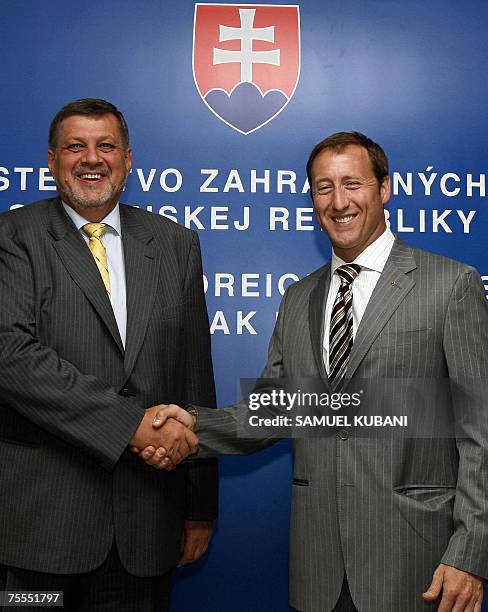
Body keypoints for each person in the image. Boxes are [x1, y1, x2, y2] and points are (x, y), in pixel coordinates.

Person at [138, 132, 488, 611]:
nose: (338, 201)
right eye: (323, 188)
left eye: (352, 184)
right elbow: (273, 412)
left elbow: (480, 431)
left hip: (418, 562)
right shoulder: (299, 297)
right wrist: (193, 424)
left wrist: (470, 553)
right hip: (319, 567)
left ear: (383, 189)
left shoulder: (451, 285)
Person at [0, 98, 217, 611]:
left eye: (106, 146)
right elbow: (11, 353)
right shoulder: (14, 237)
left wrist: (199, 508)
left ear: (128, 159)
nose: (91, 158)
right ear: (52, 161)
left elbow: (193, 377)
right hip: (38, 531)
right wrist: (130, 426)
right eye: (75, 147)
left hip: (146, 528)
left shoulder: (174, 244)